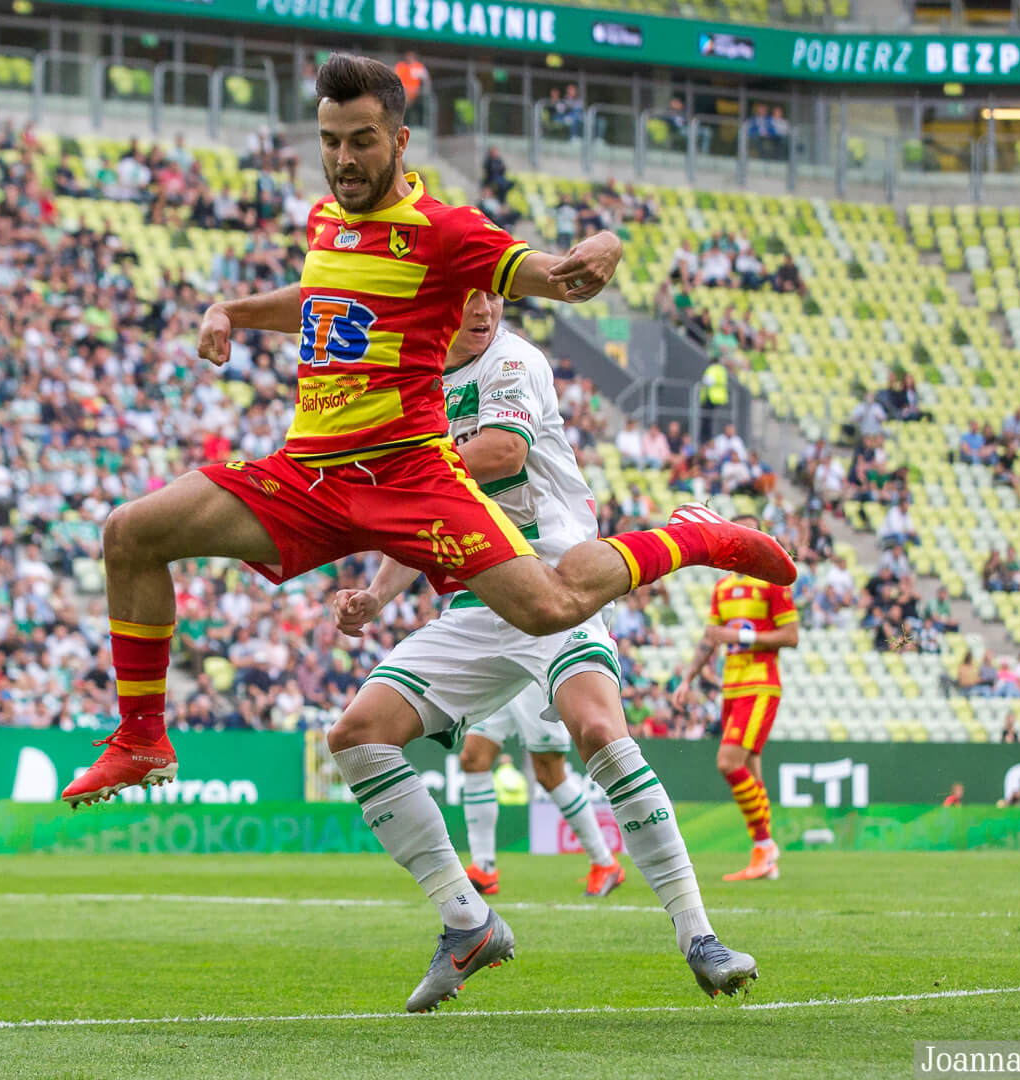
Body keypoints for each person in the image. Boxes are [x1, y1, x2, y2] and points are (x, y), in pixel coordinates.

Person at [65, 53, 793, 805]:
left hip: (410, 473)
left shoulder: (447, 233)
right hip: (308, 477)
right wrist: (234, 312)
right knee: (131, 532)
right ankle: (143, 738)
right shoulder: (327, 221)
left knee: (551, 607)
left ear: (401, 141)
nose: (343, 159)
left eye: (362, 140)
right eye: (331, 139)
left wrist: (598, 252)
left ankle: (701, 536)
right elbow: (319, 296)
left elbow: (554, 275)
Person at [327, 291, 756, 1010]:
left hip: (557, 581)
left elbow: (500, 452)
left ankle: (699, 936)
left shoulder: (513, 360)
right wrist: (376, 593)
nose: (483, 308)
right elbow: (430, 510)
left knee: (597, 731)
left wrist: (393, 473)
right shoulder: (418, 383)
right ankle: (466, 923)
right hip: (478, 597)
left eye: (492, 291)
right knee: (357, 735)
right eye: (465, 295)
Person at [676, 515, 800, 883]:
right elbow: (711, 637)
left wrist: (741, 639)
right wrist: (688, 678)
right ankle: (764, 857)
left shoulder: (773, 584)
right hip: (732, 687)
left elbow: (791, 636)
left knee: (729, 763)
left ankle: (765, 845)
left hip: (760, 686)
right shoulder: (723, 588)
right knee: (752, 772)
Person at [456, 684, 623, 899]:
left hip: (532, 673)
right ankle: (483, 868)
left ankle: (604, 862)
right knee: (473, 758)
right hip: (500, 668)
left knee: (550, 774)